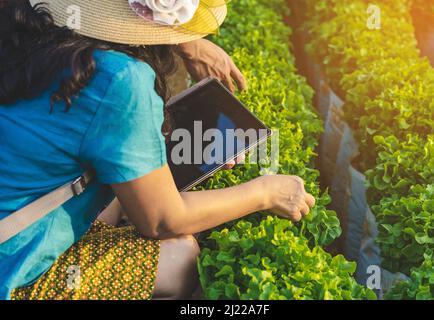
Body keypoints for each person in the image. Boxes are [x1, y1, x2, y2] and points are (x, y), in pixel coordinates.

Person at [0, 0, 315, 300]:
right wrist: (266, 192)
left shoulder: (28, 21)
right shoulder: (121, 78)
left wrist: (182, 40)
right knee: (180, 257)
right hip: (10, 259)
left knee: (116, 201)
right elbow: (161, 220)